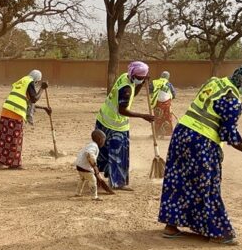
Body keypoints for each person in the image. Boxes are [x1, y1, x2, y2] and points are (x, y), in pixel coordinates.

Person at [158, 65, 242, 245]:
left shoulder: (216, 82)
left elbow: (213, 107)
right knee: (207, 185)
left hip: (182, 134)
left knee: (179, 179)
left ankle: (170, 226)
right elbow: (231, 137)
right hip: (201, 142)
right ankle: (217, 232)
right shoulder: (231, 100)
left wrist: (241, 106)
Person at [95, 61, 155, 190]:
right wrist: (143, 116)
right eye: (139, 77)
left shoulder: (124, 76)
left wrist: (141, 83)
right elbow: (122, 110)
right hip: (115, 125)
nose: (140, 79)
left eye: (143, 77)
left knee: (102, 150)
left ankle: (97, 174)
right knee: (119, 154)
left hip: (103, 118)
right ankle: (117, 183)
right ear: (133, 75)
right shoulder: (126, 89)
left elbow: (134, 92)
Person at [0, 70, 50, 169]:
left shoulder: (22, 82)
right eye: (37, 82)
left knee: (3, 138)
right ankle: (14, 164)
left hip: (6, 111)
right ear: (36, 80)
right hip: (15, 113)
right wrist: (42, 88)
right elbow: (34, 99)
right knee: (15, 139)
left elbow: (25, 101)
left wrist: (44, 108)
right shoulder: (30, 82)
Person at [74, 129, 107, 201]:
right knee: (93, 180)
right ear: (99, 140)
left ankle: (78, 193)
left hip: (79, 165)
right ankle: (94, 196)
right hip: (85, 167)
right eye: (103, 140)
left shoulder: (90, 144)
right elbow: (89, 154)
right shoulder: (94, 146)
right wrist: (94, 165)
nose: (104, 142)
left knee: (82, 178)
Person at [151, 71, 177, 138]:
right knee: (167, 118)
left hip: (157, 104)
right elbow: (174, 94)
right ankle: (163, 134)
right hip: (167, 104)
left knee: (158, 118)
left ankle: (156, 134)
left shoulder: (154, 82)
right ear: (168, 77)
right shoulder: (169, 84)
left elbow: (150, 90)